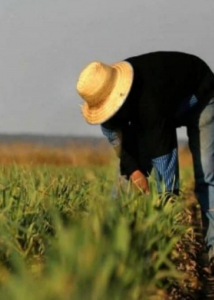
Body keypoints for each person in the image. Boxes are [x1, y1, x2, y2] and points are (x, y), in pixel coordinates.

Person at [76, 51, 214, 264]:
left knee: (206, 172)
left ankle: (212, 249)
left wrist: (164, 217)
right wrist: (135, 172)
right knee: (123, 184)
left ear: (119, 97)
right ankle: (113, 251)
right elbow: (123, 152)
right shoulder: (109, 115)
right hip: (161, 108)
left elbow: (166, 168)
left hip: (198, 95)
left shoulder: (150, 103)